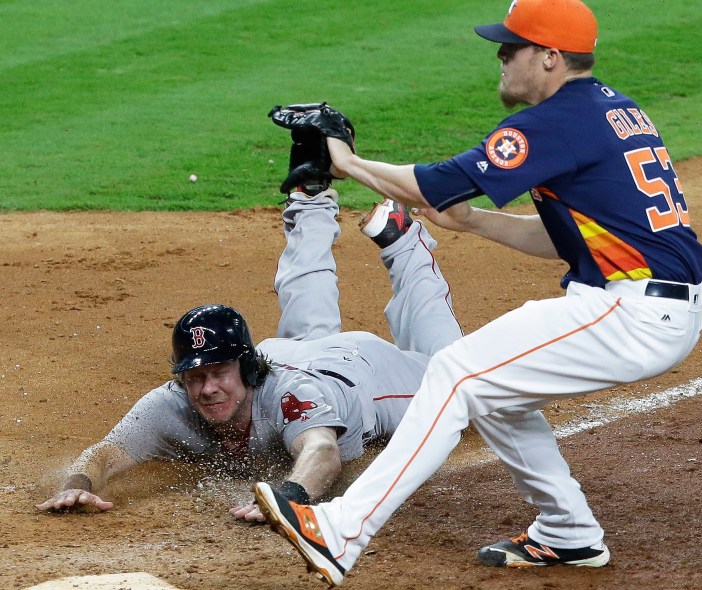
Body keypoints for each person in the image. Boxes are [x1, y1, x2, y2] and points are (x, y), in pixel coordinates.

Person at [252, 0, 702, 585]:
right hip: (650, 303)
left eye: (511, 47)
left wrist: (345, 159)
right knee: (495, 390)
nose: (499, 55)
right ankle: (568, 533)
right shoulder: (609, 109)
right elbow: (570, 241)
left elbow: (437, 182)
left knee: (456, 373)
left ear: (548, 58)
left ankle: (341, 530)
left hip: (631, 311)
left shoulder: (554, 121)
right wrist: (472, 222)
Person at [35, 177, 463, 522]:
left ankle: (402, 242)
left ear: (245, 366)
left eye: (218, 372)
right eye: (195, 375)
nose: (206, 389)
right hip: (291, 352)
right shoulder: (172, 403)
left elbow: (322, 452)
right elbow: (106, 452)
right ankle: (310, 201)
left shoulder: (292, 396)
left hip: (361, 373)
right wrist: (80, 483)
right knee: (303, 327)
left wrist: (288, 495)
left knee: (457, 378)